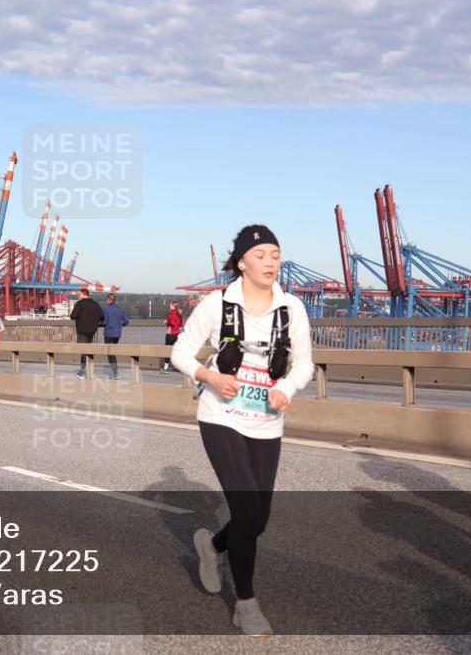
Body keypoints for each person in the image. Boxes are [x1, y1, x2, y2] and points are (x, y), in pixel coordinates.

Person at [171, 225, 312, 637]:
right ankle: (246, 606)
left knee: (258, 518)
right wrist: (209, 377)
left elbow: (303, 363)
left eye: (275, 254)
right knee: (248, 512)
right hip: (221, 416)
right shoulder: (217, 304)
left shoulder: (293, 309)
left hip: (267, 422)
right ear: (241, 262)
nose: (271, 261)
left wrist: (286, 388)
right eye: (261, 254)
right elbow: (180, 350)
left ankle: (211, 547)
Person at [69, 288, 104, 379]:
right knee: (89, 349)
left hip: (82, 330)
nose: (78, 296)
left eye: (78, 294)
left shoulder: (79, 304)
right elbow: (102, 316)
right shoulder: (95, 304)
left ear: (83, 294)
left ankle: (82, 372)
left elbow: (73, 316)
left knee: (83, 350)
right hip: (92, 330)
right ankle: (89, 369)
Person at [101, 293, 130, 380]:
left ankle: (115, 372)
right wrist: (121, 324)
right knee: (112, 352)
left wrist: (100, 324)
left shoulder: (106, 309)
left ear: (109, 300)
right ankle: (115, 370)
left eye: (107, 299)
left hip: (109, 333)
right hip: (117, 334)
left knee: (110, 353)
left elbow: (104, 322)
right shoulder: (120, 309)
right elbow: (126, 321)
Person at [161, 301, 183, 374]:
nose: (169, 305)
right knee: (178, 350)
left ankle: (166, 368)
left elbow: (172, 323)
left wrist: (166, 322)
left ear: (173, 305)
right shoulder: (179, 313)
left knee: (167, 350)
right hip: (178, 333)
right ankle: (182, 367)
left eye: (170, 304)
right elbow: (180, 324)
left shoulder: (171, 312)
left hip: (170, 334)